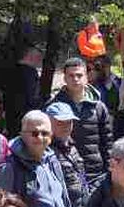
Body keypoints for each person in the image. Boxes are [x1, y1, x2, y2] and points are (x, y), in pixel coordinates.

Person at [0, 110, 73, 207]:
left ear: (51, 136)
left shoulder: (53, 161)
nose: (40, 137)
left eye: (45, 133)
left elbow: (64, 199)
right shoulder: (8, 168)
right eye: (34, 133)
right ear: (22, 135)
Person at [48, 57, 112, 190]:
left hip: (97, 174)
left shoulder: (99, 107)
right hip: (66, 174)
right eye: (71, 76)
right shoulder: (53, 107)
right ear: (64, 78)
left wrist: (109, 171)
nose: (75, 79)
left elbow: (108, 143)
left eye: (79, 75)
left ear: (87, 77)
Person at [0, 41, 42, 137]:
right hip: (25, 115)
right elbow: (32, 97)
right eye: (38, 58)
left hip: (6, 113)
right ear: (30, 57)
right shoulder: (31, 74)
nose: (38, 62)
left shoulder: (6, 69)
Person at [44, 103, 89, 207]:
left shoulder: (72, 146)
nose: (66, 127)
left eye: (69, 122)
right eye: (60, 123)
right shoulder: (46, 151)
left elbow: (82, 176)